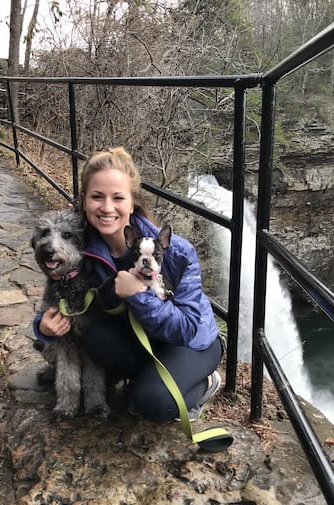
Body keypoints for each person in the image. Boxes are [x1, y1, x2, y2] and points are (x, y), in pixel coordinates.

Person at [34, 147, 222, 423]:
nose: (107, 208)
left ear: (132, 203)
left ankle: (206, 382)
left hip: (190, 343)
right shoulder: (80, 246)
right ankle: (146, 377)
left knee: (152, 403)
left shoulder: (176, 252)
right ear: (84, 201)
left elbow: (188, 328)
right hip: (138, 338)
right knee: (96, 339)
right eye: (97, 196)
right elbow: (61, 295)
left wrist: (139, 296)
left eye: (118, 197)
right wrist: (43, 327)